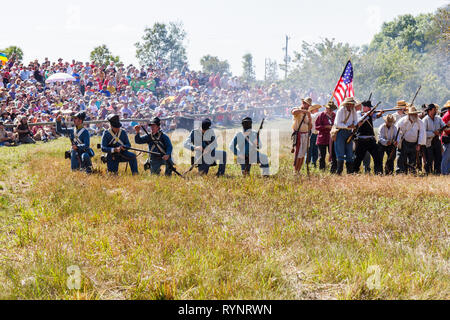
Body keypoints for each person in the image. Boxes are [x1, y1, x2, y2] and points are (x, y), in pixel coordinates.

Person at [353, 100, 383, 174]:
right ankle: (354, 172)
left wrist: (380, 113)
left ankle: (378, 172)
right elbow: (359, 121)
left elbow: (376, 116)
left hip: (371, 139)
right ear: (365, 107)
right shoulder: (358, 113)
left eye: (370, 108)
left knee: (377, 157)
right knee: (358, 158)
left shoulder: (370, 114)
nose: (370, 108)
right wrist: (367, 114)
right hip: (361, 140)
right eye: (369, 107)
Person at [395, 106, 426, 174]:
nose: (414, 115)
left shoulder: (419, 122)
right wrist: (397, 142)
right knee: (401, 158)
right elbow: (398, 132)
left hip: (414, 143)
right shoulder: (402, 121)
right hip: (404, 143)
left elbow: (422, 133)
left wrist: (419, 144)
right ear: (409, 114)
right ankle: (400, 172)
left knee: (412, 160)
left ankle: (412, 173)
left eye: (415, 114)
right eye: (412, 114)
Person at [333, 97, 359, 175]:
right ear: (347, 104)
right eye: (351, 104)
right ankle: (339, 172)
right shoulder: (340, 111)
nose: (352, 106)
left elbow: (355, 121)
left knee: (349, 153)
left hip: (349, 133)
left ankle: (350, 172)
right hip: (340, 132)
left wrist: (353, 125)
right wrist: (348, 126)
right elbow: (337, 124)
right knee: (340, 153)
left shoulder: (353, 110)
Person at [422, 104, 446, 175]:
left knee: (438, 157)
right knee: (429, 159)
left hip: (436, 141)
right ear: (430, 111)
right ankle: (428, 173)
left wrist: (444, 127)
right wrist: (433, 133)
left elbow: (443, 126)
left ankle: (437, 173)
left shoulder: (438, 118)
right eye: (434, 109)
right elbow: (423, 133)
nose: (436, 111)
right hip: (428, 142)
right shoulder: (425, 120)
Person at [291, 98, 312, 174]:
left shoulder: (307, 114)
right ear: (303, 103)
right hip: (299, 134)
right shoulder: (297, 109)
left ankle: (298, 170)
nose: (308, 106)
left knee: (302, 154)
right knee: (298, 153)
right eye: (307, 104)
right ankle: (295, 171)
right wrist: (305, 111)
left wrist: (309, 118)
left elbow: (310, 127)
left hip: (305, 134)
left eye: (309, 105)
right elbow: (293, 112)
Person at [315, 101, 337, 172]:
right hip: (322, 139)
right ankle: (322, 170)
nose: (330, 110)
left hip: (332, 138)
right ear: (326, 108)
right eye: (329, 108)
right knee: (322, 156)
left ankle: (333, 170)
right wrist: (325, 127)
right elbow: (317, 127)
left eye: (331, 109)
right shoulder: (321, 115)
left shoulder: (335, 115)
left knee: (333, 155)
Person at [306, 104, 321, 168]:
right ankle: (307, 164)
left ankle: (313, 163)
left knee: (315, 151)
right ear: (312, 110)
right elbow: (314, 117)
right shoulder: (311, 116)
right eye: (316, 108)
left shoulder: (316, 115)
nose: (317, 110)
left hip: (316, 134)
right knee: (309, 150)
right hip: (311, 134)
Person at [440, 101, 450, 175]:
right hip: (447, 138)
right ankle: (444, 172)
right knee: (446, 157)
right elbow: (443, 128)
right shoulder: (447, 116)